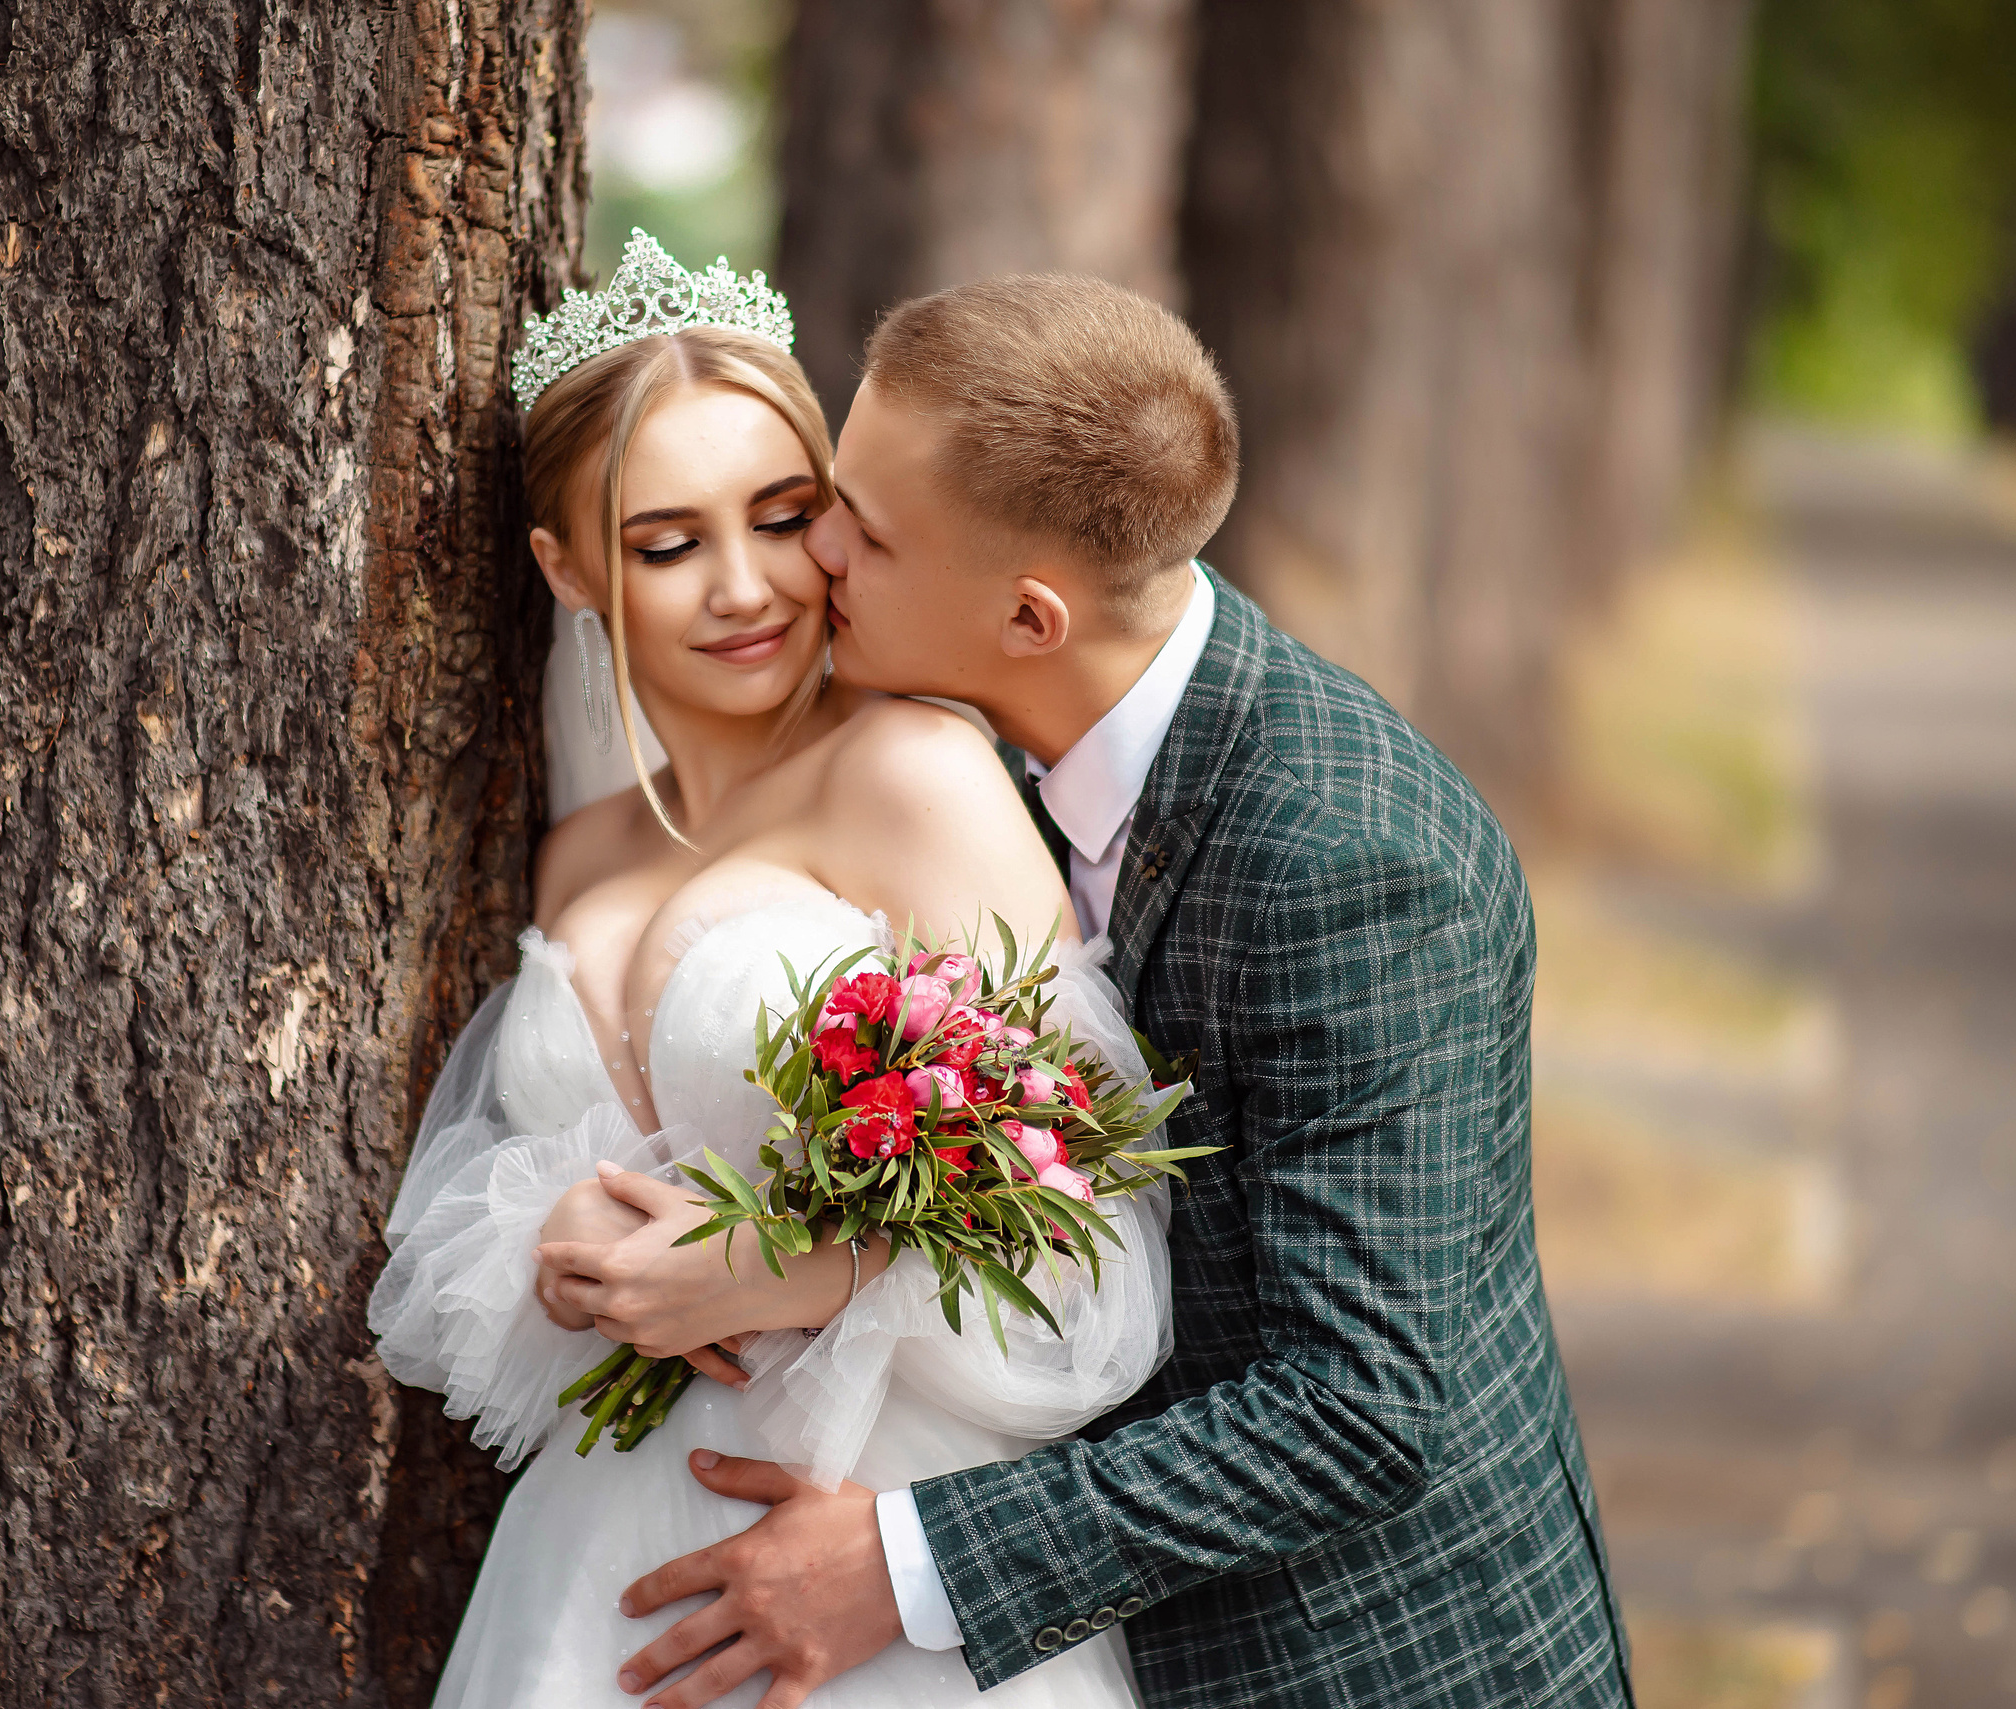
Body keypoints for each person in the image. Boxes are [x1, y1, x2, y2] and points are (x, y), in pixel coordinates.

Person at [553, 275, 1634, 1709]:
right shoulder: (1000, 748)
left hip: (1360, 1664)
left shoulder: (1351, 859)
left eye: (859, 526)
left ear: (1030, 615)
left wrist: (907, 1564)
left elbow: (1359, 1412)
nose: (816, 553)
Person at [367, 232, 1174, 1709]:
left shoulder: (912, 774)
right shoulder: (578, 852)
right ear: (568, 569)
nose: (745, 588)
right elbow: (546, 1193)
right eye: (668, 544)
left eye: (785, 518)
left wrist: (786, 1264)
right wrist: (561, 1245)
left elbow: (1092, 1233)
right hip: (597, 1575)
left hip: (867, 1559)